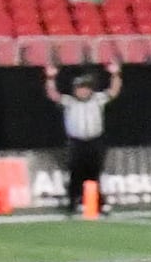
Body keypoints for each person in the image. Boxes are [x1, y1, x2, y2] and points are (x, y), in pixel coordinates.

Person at [42, 60, 118, 215]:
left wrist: (115, 74)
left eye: (86, 88)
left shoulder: (98, 99)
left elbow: (113, 91)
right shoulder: (69, 102)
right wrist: (50, 78)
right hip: (76, 143)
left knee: (94, 173)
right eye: (80, 89)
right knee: (75, 174)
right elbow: (53, 95)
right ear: (75, 90)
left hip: (94, 141)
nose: (83, 92)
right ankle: (73, 203)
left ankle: (99, 203)